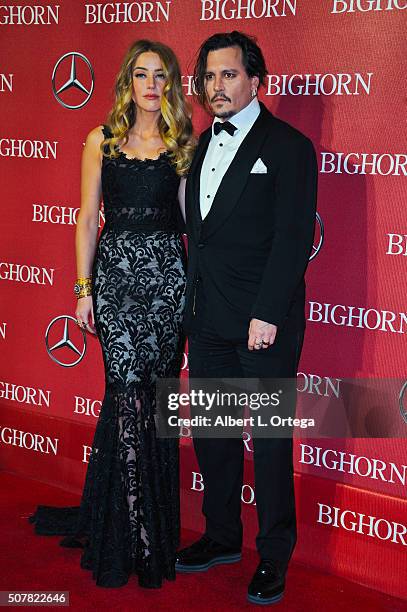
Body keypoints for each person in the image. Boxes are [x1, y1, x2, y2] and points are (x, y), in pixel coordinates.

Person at [29, 39, 194, 589]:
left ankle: (147, 527)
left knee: (154, 399)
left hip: (169, 282)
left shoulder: (182, 145)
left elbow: (195, 221)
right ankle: (132, 536)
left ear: (171, 85)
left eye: (162, 76)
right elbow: (86, 217)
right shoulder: (100, 141)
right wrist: (84, 289)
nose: (152, 85)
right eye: (142, 74)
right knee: (125, 394)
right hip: (118, 280)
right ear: (127, 81)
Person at [176, 31, 318, 605]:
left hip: (264, 325)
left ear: (257, 81)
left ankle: (274, 553)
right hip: (206, 321)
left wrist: (267, 314)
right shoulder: (200, 144)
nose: (217, 87)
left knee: (272, 443)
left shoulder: (289, 146)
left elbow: (291, 238)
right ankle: (222, 535)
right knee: (214, 437)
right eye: (209, 77)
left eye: (229, 75)